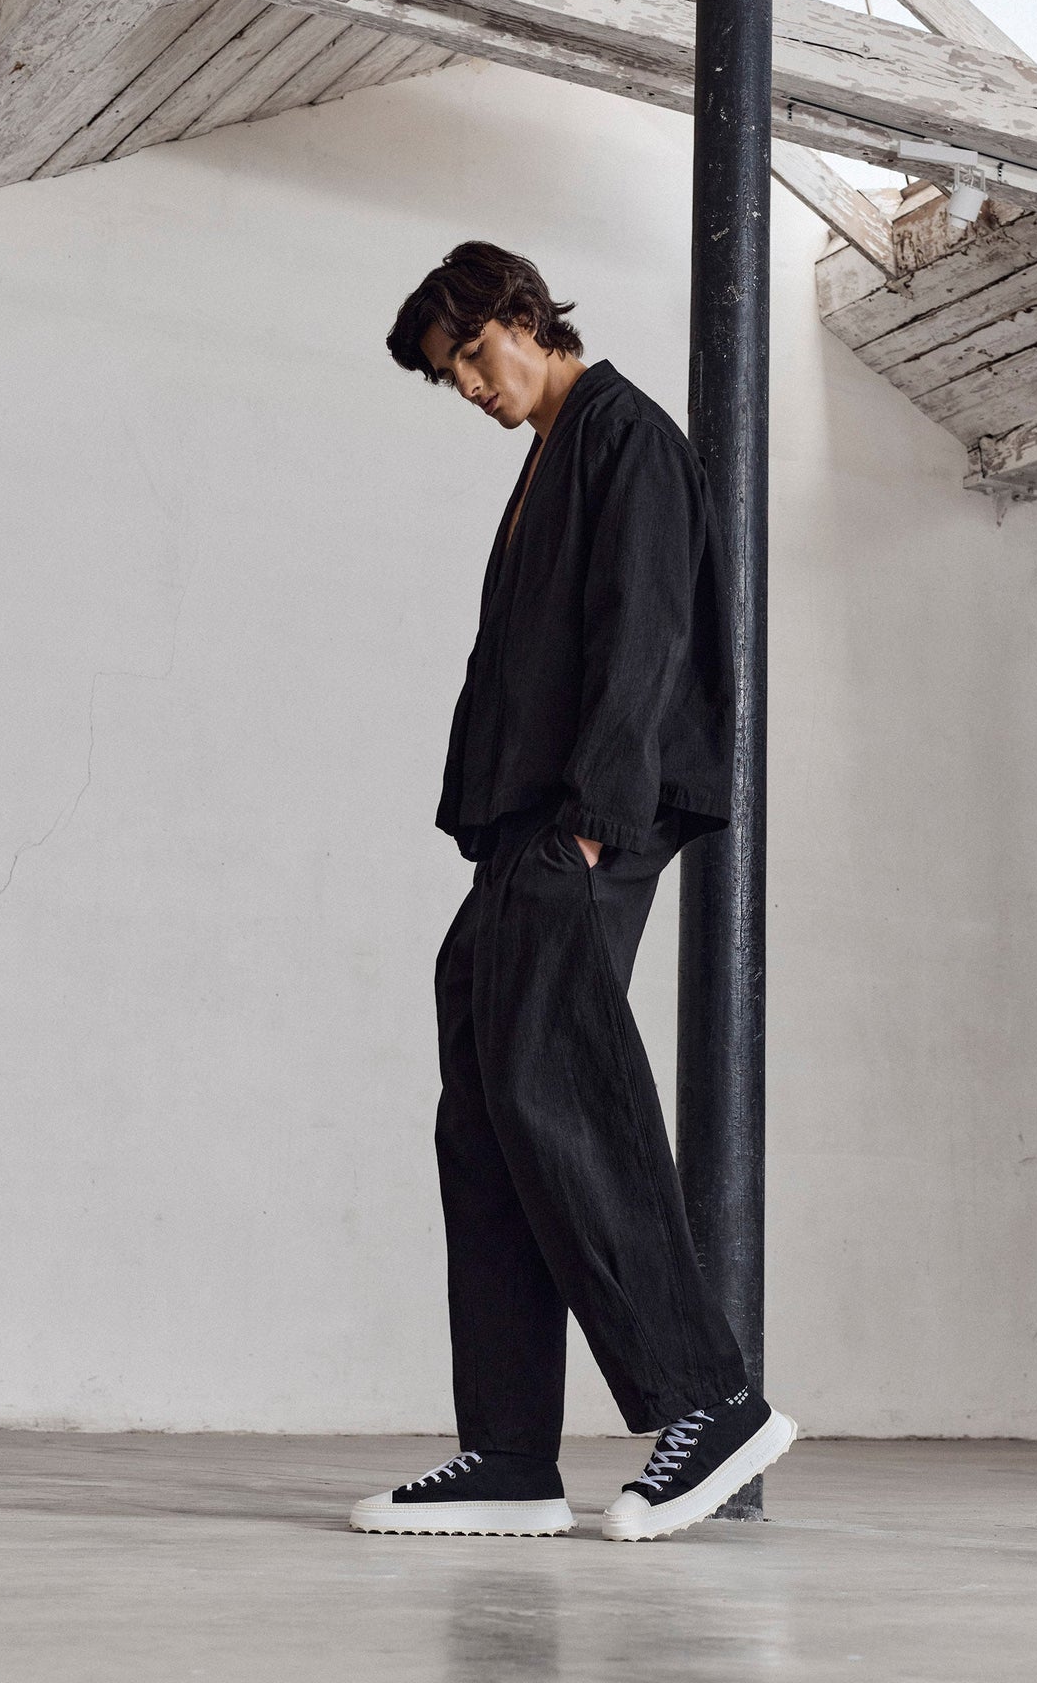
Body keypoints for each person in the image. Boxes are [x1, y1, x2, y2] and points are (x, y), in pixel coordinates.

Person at [351, 241, 795, 1542]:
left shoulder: (625, 436)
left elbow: (645, 632)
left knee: (563, 1093)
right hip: (526, 833)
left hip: (587, 821)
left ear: (520, 313)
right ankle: (508, 1454)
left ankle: (708, 1402)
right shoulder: (552, 453)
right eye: (448, 377)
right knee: (490, 1119)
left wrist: (597, 824)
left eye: (469, 356)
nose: (468, 387)